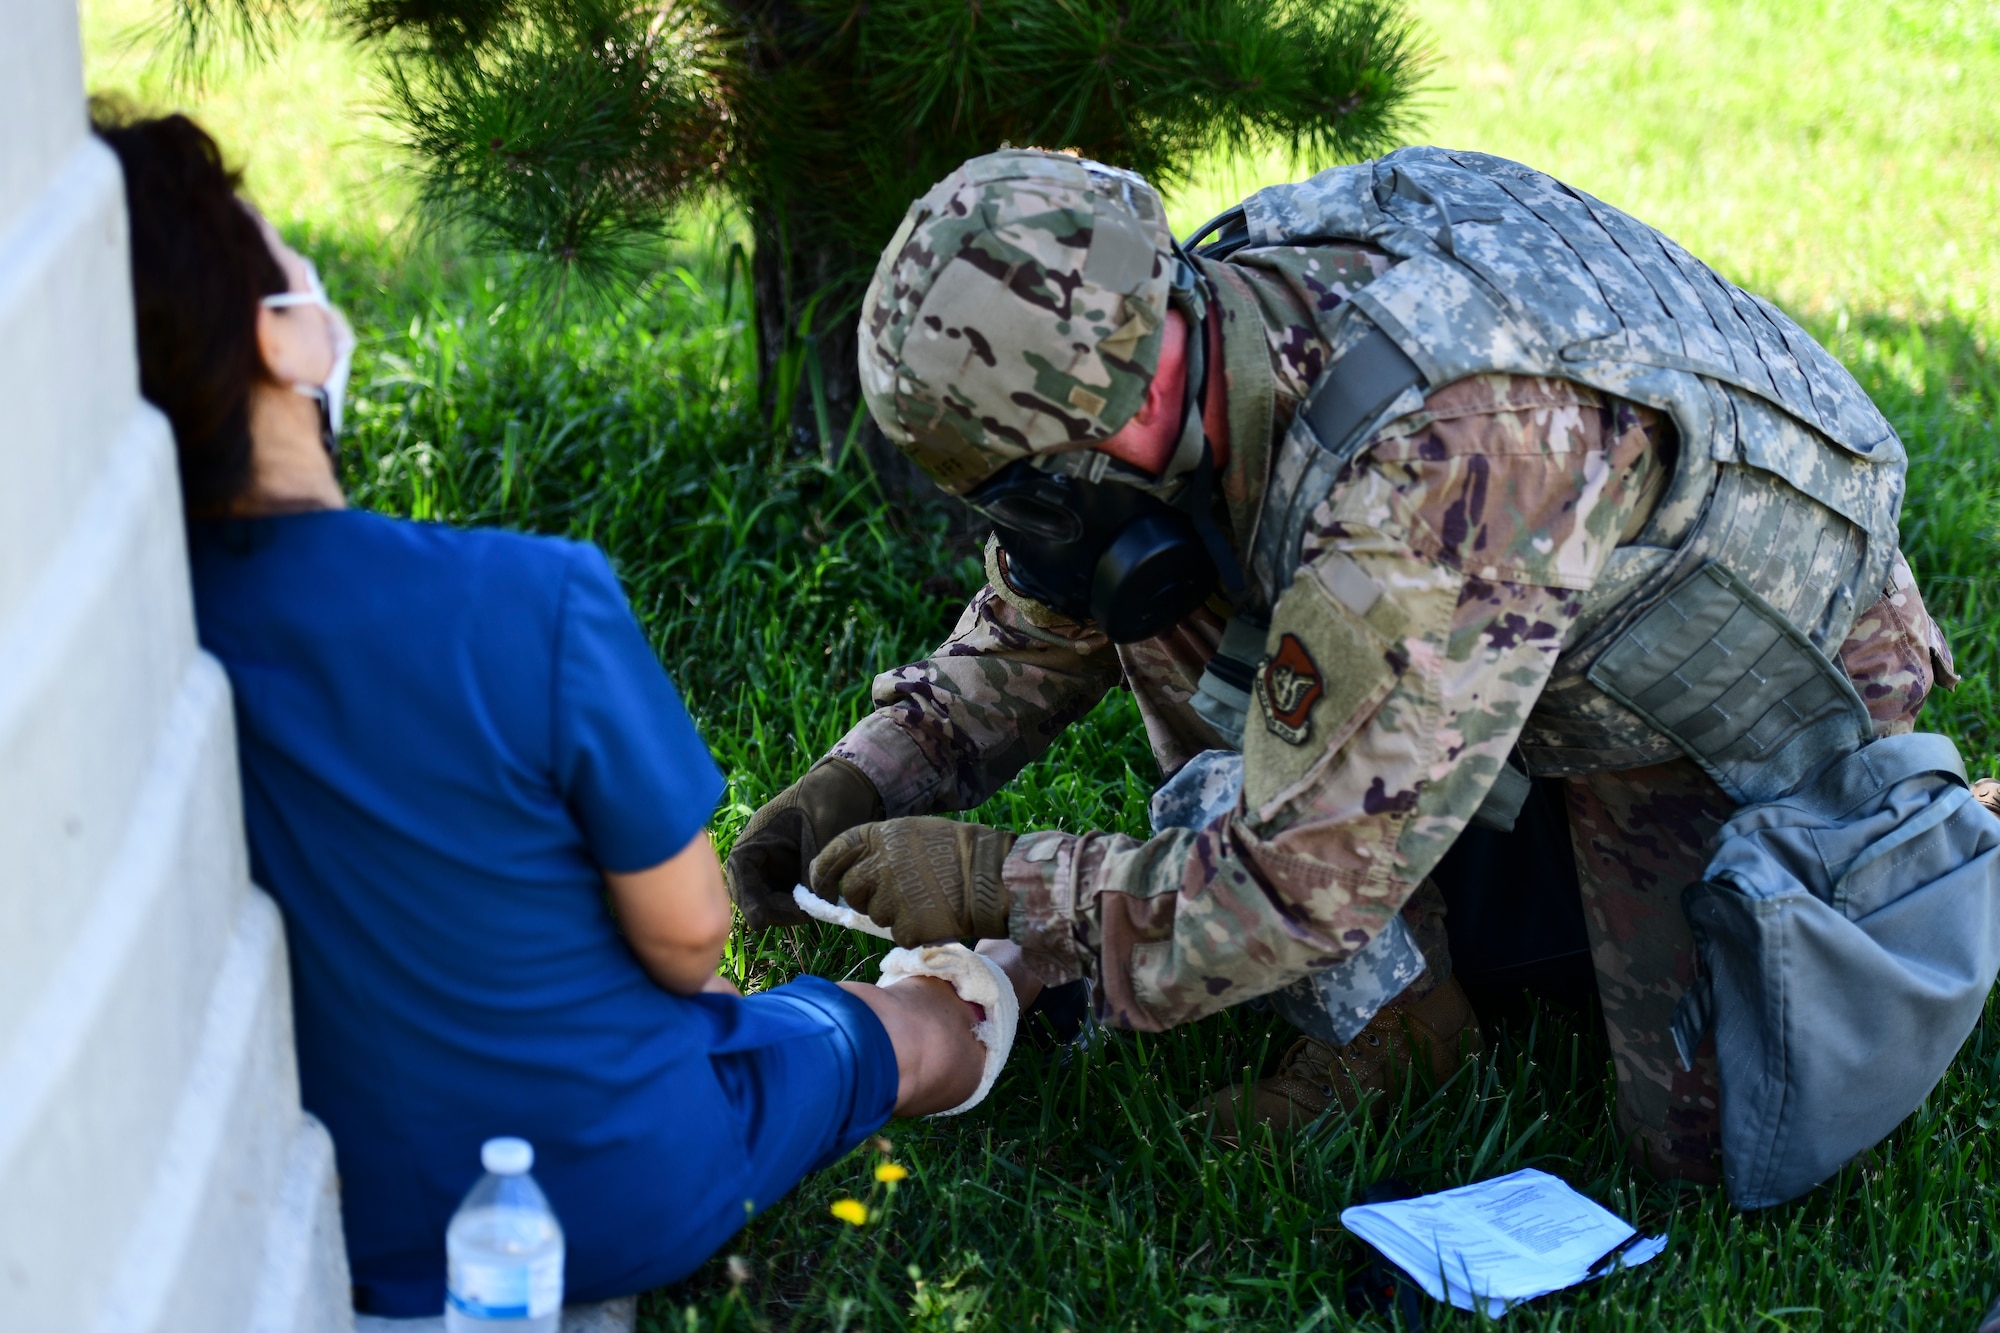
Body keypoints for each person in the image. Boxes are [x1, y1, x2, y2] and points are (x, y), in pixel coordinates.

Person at [726, 146, 1962, 1183]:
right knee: (1155, 576)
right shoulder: (1191, 330)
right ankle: (1397, 1025)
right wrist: (875, 774)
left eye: (1021, 490)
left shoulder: (1434, 467)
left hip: (1726, 691)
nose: (1024, 527)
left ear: (1124, 398)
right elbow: (1054, 601)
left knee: (1709, 1133)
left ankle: (1929, 841)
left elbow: (1290, 889)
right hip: (1518, 634)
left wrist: (1001, 884)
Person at [94, 108, 1039, 1318]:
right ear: (279, 342)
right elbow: (691, 938)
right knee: (881, 1026)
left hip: (338, 1208)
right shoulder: (527, 597)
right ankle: (974, 990)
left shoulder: (146, 654)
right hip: (619, 1185)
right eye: (284, 260)